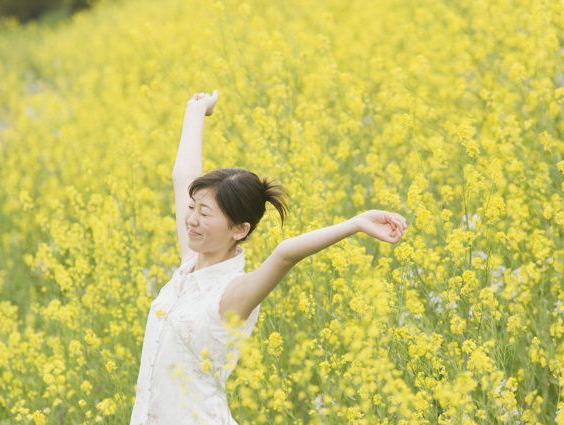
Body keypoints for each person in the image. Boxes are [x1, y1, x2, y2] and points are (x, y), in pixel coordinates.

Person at [129, 90, 408, 425]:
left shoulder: (230, 297)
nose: (191, 219)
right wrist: (197, 108)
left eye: (204, 213)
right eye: (191, 208)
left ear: (238, 229)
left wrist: (355, 224)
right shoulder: (190, 265)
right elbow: (182, 176)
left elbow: (285, 253)